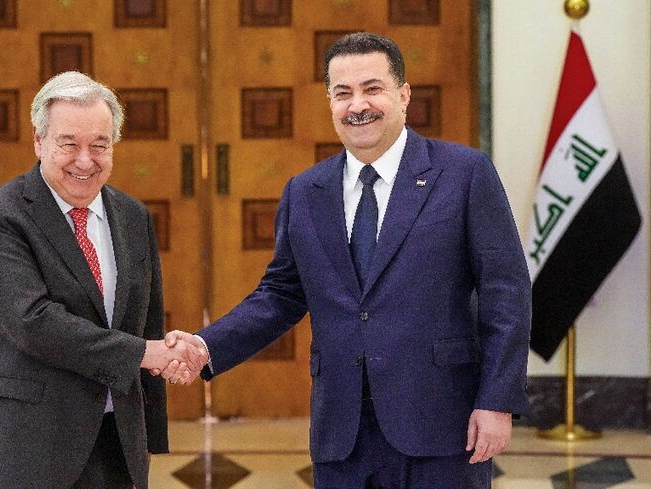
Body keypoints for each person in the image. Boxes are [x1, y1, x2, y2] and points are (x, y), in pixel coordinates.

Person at [165, 33, 531, 488]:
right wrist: (206, 346)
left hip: (442, 424)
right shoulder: (305, 191)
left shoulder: (464, 173)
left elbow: (506, 293)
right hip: (343, 434)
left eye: (372, 88)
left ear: (403, 94)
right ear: (330, 103)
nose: (358, 105)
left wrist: (496, 400)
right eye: (343, 93)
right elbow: (280, 295)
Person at [0, 71, 203, 489]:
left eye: (99, 145)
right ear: (39, 141)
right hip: (20, 446)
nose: (85, 160)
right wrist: (149, 353)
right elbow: (34, 323)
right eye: (69, 144)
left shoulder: (133, 216)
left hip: (113, 443)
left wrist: (147, 441)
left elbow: (145, 323)